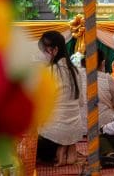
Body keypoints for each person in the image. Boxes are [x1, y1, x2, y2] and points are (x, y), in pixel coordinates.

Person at [36, 31, 83, 166]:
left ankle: (60, 148)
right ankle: (68, 146)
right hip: (75, 129)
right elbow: (80, 102)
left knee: (28, 146)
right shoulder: (75, 71)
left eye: (45, 51)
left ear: (55, 50)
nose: (42, 55)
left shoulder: (48, 72)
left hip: (52, 135)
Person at [79, 50, 114, 134]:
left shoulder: (76, 75)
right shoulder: (106, 78)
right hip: (102, 125)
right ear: (102, 63)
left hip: (79, 127)